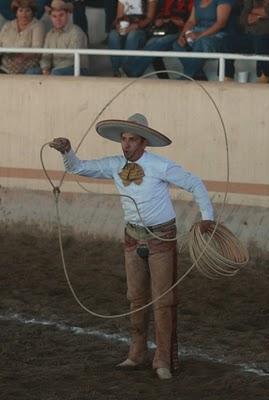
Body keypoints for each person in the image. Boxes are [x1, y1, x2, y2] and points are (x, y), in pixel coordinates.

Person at [49, 113, 214, 380]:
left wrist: (207, 217)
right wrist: (68, 151)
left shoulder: (161, 166)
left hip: (161, 237)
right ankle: (136, 354)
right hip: (133, 237)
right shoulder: (115, 165)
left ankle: (162, 359)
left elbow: (194, 182)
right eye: (123, 139)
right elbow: (78, 167)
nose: (126, 145)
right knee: (135, 297)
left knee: (163, 299)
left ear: (143, 143)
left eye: (132, 140)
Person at [123, 0, 194, 77]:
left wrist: (169, 19)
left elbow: (188, 22)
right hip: (166, 30)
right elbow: (162, 13)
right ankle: (130, 70)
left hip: (181, 32)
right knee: (152, 41)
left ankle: (131, 72)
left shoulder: (191, 2)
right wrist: (160, 19)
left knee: (160, 42)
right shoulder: (168, 1)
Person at [172, 0, 234, 80]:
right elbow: (191, 21)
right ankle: (199, 74)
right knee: (177, 44)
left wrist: (200, 35)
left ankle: (187, 76)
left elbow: (221, 23)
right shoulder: (197, 1)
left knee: (201, 42)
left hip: (216, 35)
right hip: (197, 33)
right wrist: (182, 36)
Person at [108, 0, 157, 76]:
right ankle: (116, 70)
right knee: (113, 35)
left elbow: (150, 18)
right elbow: (119, 17)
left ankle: (125, 68)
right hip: (126, 26)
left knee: (132, 35)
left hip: (142, 30)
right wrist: (118, 25)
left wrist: (136, 26)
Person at [39, 0, 88, 75]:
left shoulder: (76, 32)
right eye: (54, 16)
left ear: (68, 15)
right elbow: (46, 56)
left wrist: (53, 71)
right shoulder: (50, 34)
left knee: (56, 72)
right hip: (55, 70)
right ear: (51, 17)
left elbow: (71, 59)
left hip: (77, 69)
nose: (58, 19)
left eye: (61, 15)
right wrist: (45, 69)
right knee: (33, 72)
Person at [239, 0, 269, 83]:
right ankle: (227, 75)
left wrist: (254, 13)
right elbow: (242, 18)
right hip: (251, 35)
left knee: (262, 39)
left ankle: (264, 76)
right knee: (227, 41)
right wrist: (261, 15)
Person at [0, 0, 45, 74]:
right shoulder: (7, 26)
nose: (24, 14)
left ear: (32, 12)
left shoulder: (37, 26)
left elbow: (37, 48)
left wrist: (21, 57)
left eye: (27, 10)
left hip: (27, 65)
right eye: (20, 10)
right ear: (16, 13)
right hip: (5, 65)